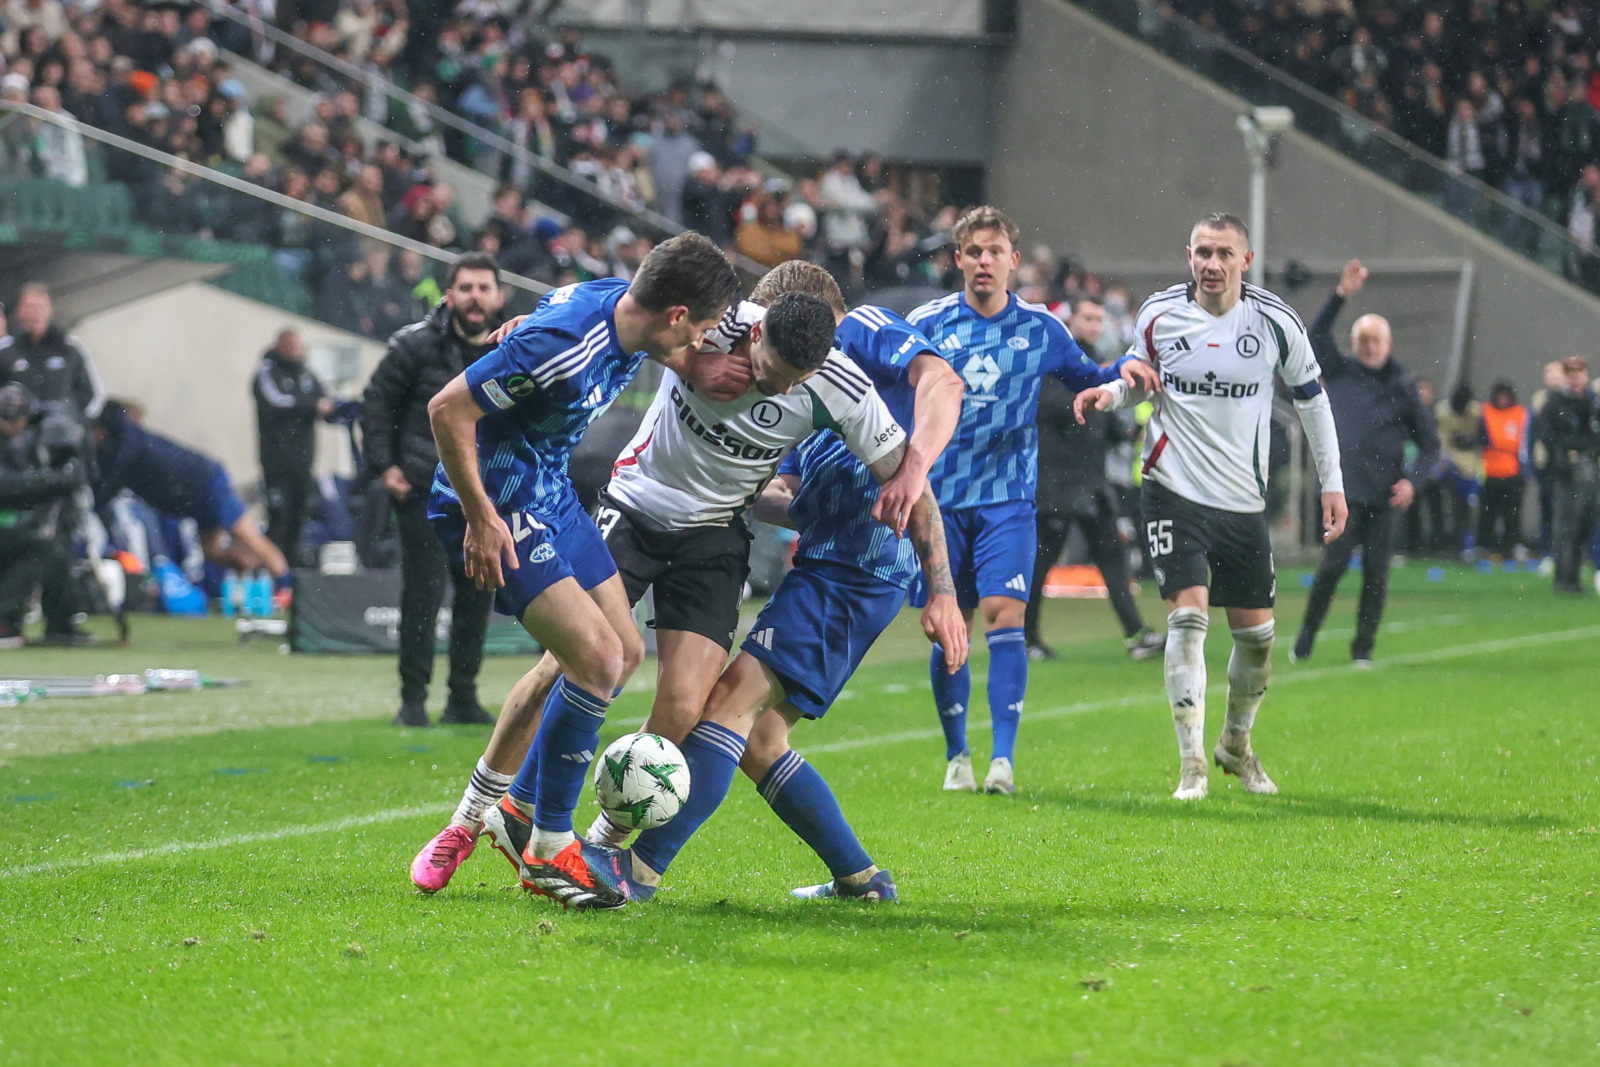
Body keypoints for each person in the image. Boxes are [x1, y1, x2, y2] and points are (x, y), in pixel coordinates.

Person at [410, 261, 965, 900]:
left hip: (716, 536)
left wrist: (941, 588)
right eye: (764, 372)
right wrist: (538, 326)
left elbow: (916, 492)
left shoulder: (841, 388)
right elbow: (635, 304)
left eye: (789, 385)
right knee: (572, 663)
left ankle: (595, 849)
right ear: (754, 332)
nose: (770, 390)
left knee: (683, 707)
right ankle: (478, 816)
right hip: (637, 503)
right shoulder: (714, 325)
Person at [422, 232, 741, 909]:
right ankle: (544, 845)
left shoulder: (611, 308)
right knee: (593, 659)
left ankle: (491, 816)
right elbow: (447, 408)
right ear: (676, 314)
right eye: (701, 331)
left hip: (551, 492)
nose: (699, 348)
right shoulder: (567, 343)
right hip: (499, 501)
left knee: (623, 652)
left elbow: (557, 306)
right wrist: (481, 517)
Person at [1074, 212, 1348, 801]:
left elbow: (1312, 401)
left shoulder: (1274, 321)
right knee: (1189, 619)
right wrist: (1110, 392)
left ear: (1245, 261)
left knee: (1257, 640)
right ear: (1189, 255)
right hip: (1173, 488)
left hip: (1243, 501)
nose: (1212, 264)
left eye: (1224, 253)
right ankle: (1191, 763)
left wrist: (1333, 483)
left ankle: (1235, 745)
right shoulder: (1159, 314)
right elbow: (1136, 378)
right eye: (1202, 252)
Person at [906, 206, 1160, 796]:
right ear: (959, 259)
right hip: (940, 504)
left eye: (995, 251)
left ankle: (1002, 760)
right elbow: (890, 388)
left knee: (1006, 617)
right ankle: (956, 756)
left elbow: (1085, 374)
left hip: (1008, 501)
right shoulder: (927, 324)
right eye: (973, 252)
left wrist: (1126, 370)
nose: (984, 261)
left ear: (1013, 261)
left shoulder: (1042, 328)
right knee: (950, 629)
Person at [360, 252, 503, 729]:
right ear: (449, 295)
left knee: (476, 597)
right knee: (421, 597)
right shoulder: (414, 347)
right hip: (424, 491)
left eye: (484, 288)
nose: (475, 297)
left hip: (485, 497)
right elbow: (376, 403)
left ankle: (462, 696)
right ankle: (413, 700)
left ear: (499, 296)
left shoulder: (515, 346)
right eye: (466, 288)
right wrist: (385, 467)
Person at [1291, 260, 1440, 666]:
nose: (1369, 347)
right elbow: (1315, 334)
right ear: (1354, 343)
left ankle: (1363, 648)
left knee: (1377, 576)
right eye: (1363, 340)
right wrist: (1341, 294)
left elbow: (1429, 444)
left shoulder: (1403, 386)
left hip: (1385, 494)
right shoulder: (1340, 371)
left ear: (1388, 344)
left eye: (1376, 340)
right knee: (1331, 569)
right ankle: (1306, 635)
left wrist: (1413, 481)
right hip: (1345, 492)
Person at [1025, 295, 1164, 663]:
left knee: (1112, 559)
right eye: (1087, 317)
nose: (1094, 325)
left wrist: (1124, 430)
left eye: (1098, 318)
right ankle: (1026, 637)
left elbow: (1094, 419)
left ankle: (1136, 633)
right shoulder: (1059, 361)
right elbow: (1052, 408)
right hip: (1057, 482)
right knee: (1041, 563)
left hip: (1090, 482)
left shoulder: (1087, 364)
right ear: (1071, 320)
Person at [0, 281, 103, 645]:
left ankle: (61, 622)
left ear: (50, 309)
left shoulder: (71, 350)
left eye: (39, 306)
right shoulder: (7, 351)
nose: (33, 313)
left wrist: (65, 430)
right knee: (33, 542)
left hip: (54, 459)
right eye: (27, 306)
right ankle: (8, 617)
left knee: (59, 543)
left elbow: (92, 399)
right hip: (24, 470)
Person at [92, 400, 288, 579]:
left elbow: (109, 476)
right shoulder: (116, 455)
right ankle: (254, 571)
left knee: (250, 537)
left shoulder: (127, 442)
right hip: (195, 501)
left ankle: (286, 584)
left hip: (207, 483)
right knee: (212, 551)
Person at [0, 383, 85, 647]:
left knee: (50, 549)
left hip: (10, 524)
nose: (15, 426)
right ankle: (4, 620)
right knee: (39, 549)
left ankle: (62, 625)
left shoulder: (20, 441)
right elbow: (7, 485)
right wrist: (55, 480)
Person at [252, 328, 334, 568]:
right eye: (289, 345)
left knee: (300, 517)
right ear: (278, 345)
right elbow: (278, 401)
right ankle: (273, 574)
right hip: (276, 461)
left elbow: (325, 400)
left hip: (304, 461)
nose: (294, 350)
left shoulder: (307, 374)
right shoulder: (267, 372)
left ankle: (292, 577)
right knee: (279, 518)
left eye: (297, 345)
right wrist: (312, 406)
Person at [1538, 355, 1600, 594]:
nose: (1576, 378)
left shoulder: (1591, 402)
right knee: (1566, 527)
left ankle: (1573, 577)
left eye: (1579, 373)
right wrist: (1567, 454)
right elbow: (1548, 435)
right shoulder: (1555, 403)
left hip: (1590, 468)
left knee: (1585, 525)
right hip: (1566, 473)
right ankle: (1564, 578)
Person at [1476, 381, 1529, 559]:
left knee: (1511, 515)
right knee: (1487, 514)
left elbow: (1525, 442)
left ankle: (1510, 546)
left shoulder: (1520, 413)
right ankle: (1484, 546)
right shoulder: (1485, 412)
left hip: (1512, 472)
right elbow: (1479, 437)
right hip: (1489, 472)